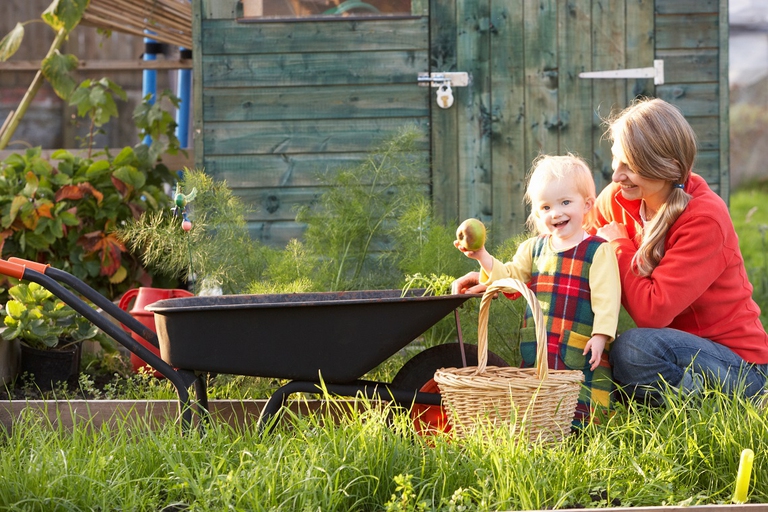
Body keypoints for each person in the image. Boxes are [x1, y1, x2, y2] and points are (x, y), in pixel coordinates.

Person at [591, 97, 768, 403]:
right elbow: (575, 256)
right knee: (598, 353)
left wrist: (618, 244)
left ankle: (710, 412)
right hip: (673, 352)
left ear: (668, 167)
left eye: (629, 166)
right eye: (614, 159)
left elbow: (653, 312)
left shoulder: (704, 218)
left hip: (739, 367)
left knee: (633, 350)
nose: (616, 175)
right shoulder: (616, 200)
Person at [453, 154, 621, 425]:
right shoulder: (533, 248)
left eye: (565, 202)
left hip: (579, 347)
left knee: (580, 407)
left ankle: (585, 437)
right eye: (545, 207)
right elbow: (508, 280)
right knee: (541, 407)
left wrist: (601, 335)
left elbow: (607, 298)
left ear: (587, 204)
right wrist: (482, 255)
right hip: (540, 346)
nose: (556, 213)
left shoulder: (598, 250)